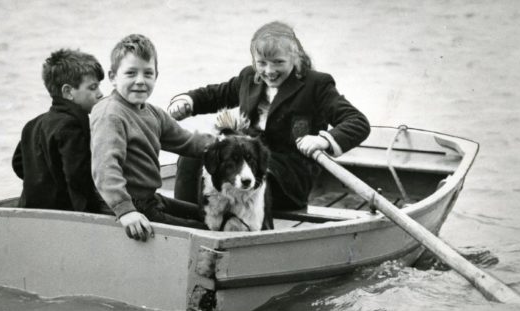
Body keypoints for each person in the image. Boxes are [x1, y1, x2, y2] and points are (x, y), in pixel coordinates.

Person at [168, 21, 370, 211]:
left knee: (249, 176)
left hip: (288, 178)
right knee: (191, 156)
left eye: (278, 62)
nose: (269, 71)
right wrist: (187, 101)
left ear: (296, 58)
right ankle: (186, 217)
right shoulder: (250, 77)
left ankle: (246, 230)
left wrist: (322, 140)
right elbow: (216, 94)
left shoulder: (316, 85)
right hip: (247, 160)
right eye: (262, 63)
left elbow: (358, 122)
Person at [90, 34, 214, 241]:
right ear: (112, 77)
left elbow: (188, 142)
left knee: (210, 215)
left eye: (148, 73)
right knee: (206, 229)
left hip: (149, 199)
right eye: (130, 73)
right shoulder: (110, 114)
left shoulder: (153, 113)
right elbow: (105, 167)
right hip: (124, 204)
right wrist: (125, 210)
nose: (140, 81)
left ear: (156, 76)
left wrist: (226, 143)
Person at [12, 48, 106, 213]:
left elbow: (19, 164)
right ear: (68, 92)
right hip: (61, 215)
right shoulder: (73, 125)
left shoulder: (33, 124)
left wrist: (44, 184)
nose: (100, 94)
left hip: (29, 210)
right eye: (92, 88)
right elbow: (78, 178)